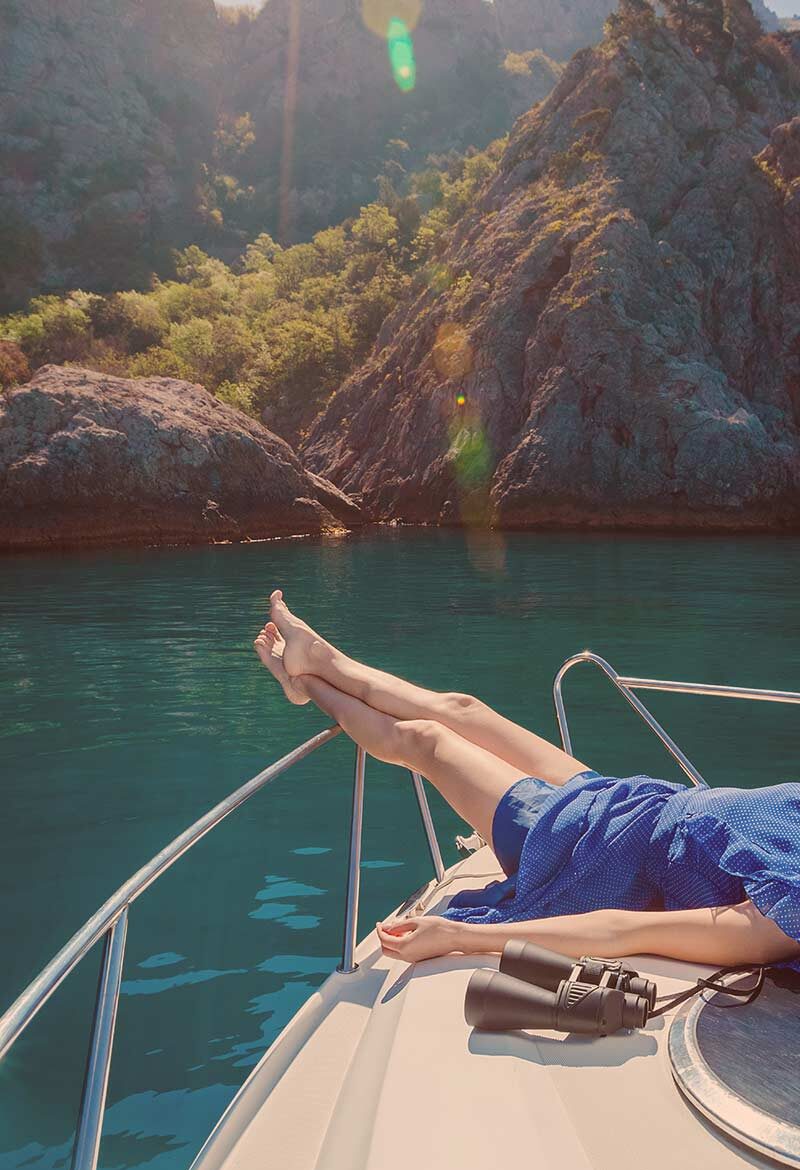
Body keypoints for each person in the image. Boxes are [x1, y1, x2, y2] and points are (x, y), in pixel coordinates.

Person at [254, 591, 800, 971]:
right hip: (637, 803)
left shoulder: (787, 916)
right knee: (464, 708)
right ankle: (320, 658)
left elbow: (627, 930)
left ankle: (308, 685)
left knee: (427, 741)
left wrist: (463, 937)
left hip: (587, 853)